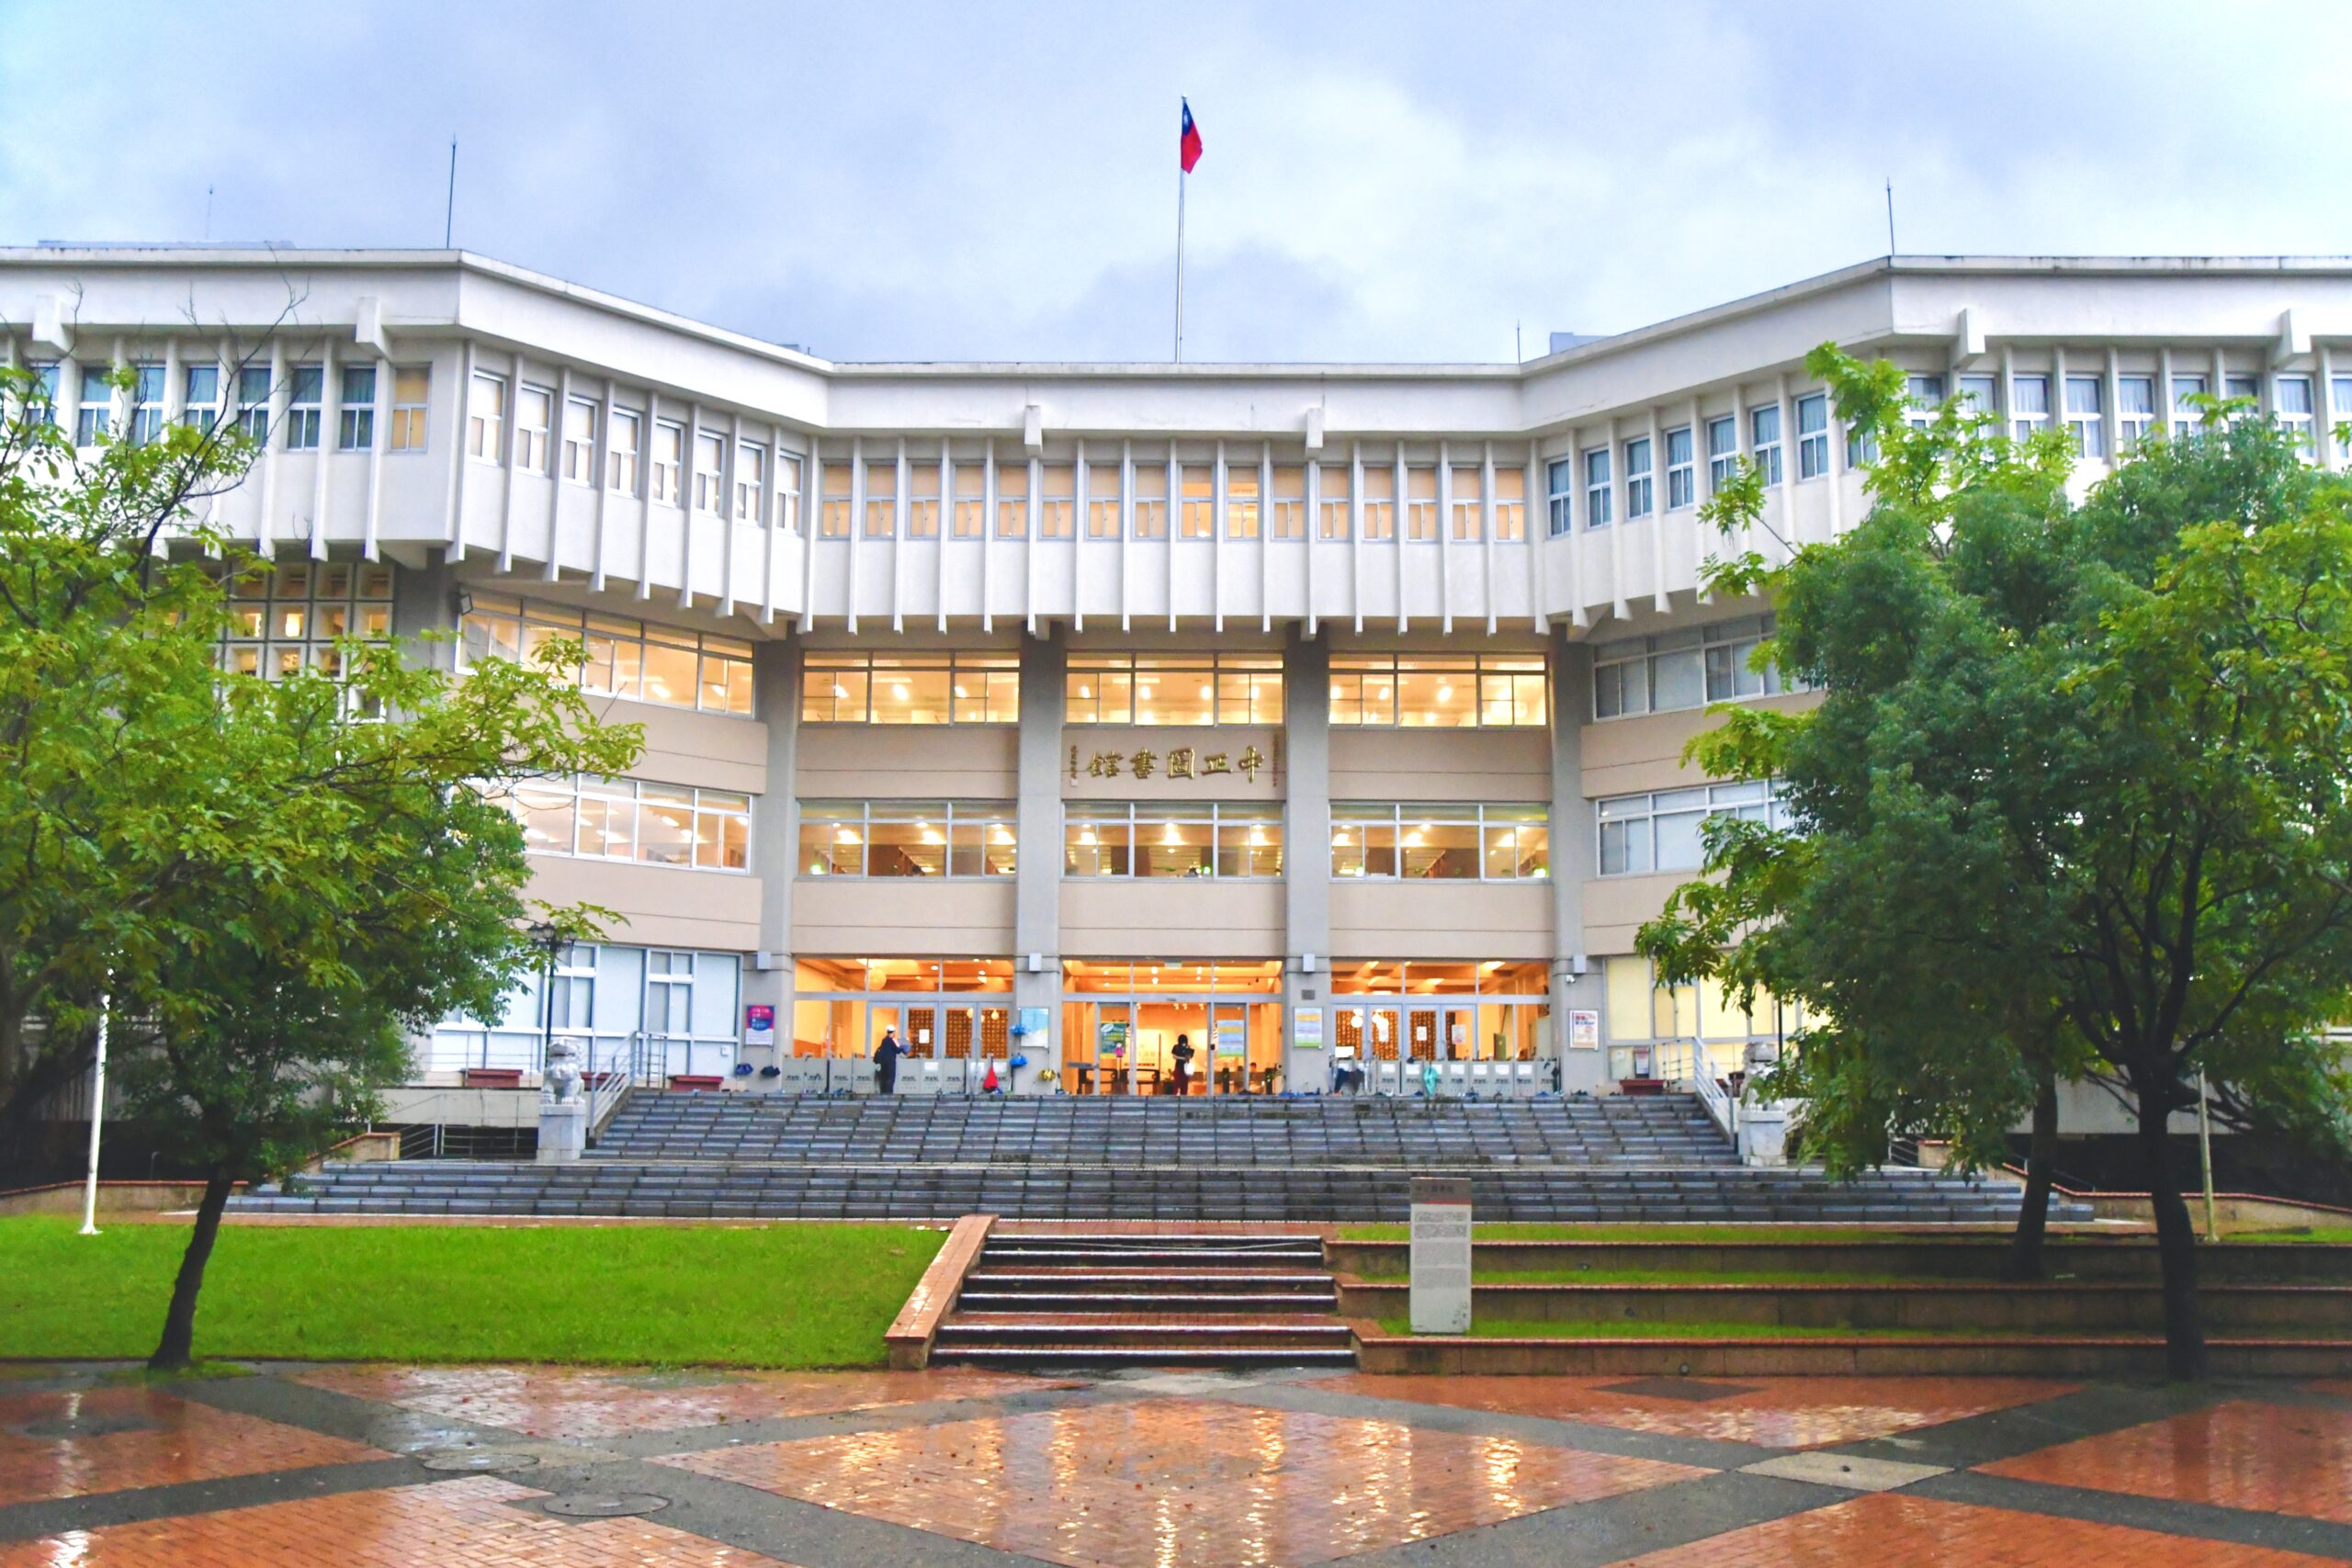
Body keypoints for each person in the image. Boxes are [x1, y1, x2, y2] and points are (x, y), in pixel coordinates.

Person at [873, 1029, 904, 1096]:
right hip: (890, 1062)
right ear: (893, 1032)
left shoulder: (884, 1040)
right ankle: (889, 1094)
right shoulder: (892, 1040)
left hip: (883, 1062)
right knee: (890, 1078)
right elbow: (897, 1050)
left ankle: (883, 1093)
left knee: (884, 1078)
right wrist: (902, 1048)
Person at [1170, 1032, 1194, 1096]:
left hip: (1185, 1067)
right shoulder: (1176, 1047)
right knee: (1178, 1083)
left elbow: (1189, 1056)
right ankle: (1176, 1096)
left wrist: (1185, 1056)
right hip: (1179, 1067)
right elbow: (1174, 1056)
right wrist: (1183, 1058)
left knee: (1183, 1084)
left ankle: (1182, 1096)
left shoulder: (1188, 1048)